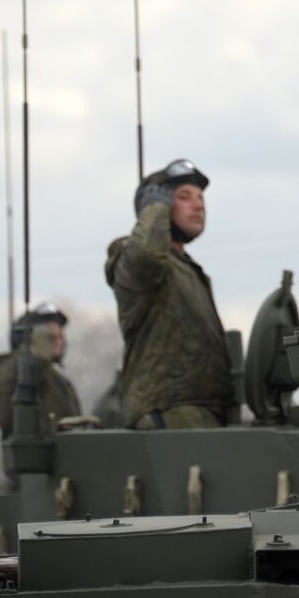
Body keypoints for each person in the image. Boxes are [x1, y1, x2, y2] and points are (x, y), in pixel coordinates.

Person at [105, 158, 233, 429]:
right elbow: (147, 256)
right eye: (184, 197)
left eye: (200, 197)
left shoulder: (188, 270)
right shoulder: (133, 259)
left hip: (203, 414)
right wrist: (153, 208)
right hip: (167, 414)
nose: (199, 205)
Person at [0, 301, 82, 438]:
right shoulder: (15, 371)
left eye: (61, 337)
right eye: (51, 336)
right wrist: (34, 354)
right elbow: (7, 421)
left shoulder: (61, 384)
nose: (59, 342)